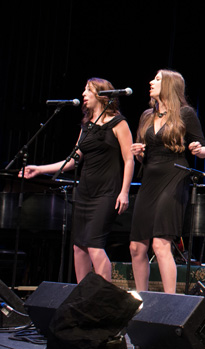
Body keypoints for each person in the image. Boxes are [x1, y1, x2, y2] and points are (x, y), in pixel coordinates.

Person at [21, 78, 134, 283]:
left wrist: (124, 191)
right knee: (79, 246)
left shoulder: (119, 122)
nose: (83, 94)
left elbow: (129, 159)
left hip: (106, 192)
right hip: (85, 192)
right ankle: (83, 296)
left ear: (101, 94)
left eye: (88, 90)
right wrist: (39, 169)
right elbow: (73, 160)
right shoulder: (87, 126)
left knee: (94, 245)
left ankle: (102, 298)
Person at [129, 70, 205, 293]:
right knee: (136, 246)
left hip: (174, 175)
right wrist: (138, 153)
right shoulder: (146, 115)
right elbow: (144, 153)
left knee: (160, 243)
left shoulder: (185, 114)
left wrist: (198, 149)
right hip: (149, 179)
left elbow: (204, 149)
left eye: (156, 79)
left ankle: (169, 303)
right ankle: (142, 300)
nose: (151, 82)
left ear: (170, 86)